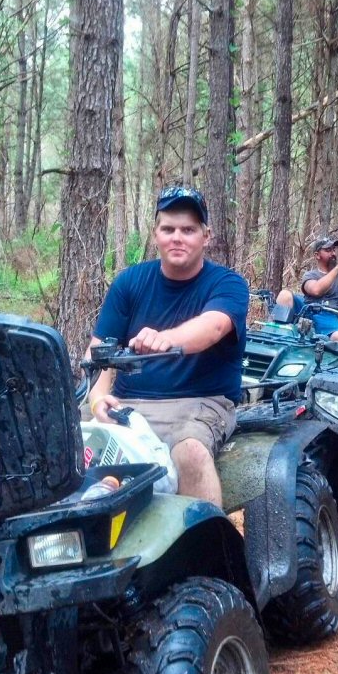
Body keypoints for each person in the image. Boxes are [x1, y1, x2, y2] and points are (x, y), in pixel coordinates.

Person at [85, 185, 249, 507]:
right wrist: (98, 399)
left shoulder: (227, 284)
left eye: (188, 230)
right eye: (168, 229)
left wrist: (167, 338)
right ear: (156, 234)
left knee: (190, 451)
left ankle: (206, 550)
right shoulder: (129, 282)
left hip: (200, 403)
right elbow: (100, 352)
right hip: (128, 402)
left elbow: (213, 326)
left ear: (206, 236)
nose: (177, 237)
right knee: (62, 440)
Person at [275, 236, 338, 343]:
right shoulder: (310, 275)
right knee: (284, 295)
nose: (333, 253)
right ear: (317, 255)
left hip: (330, 316)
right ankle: (275, 336)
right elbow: (316, 290)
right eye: (328, 250)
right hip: (306, 311)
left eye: (334, 250)